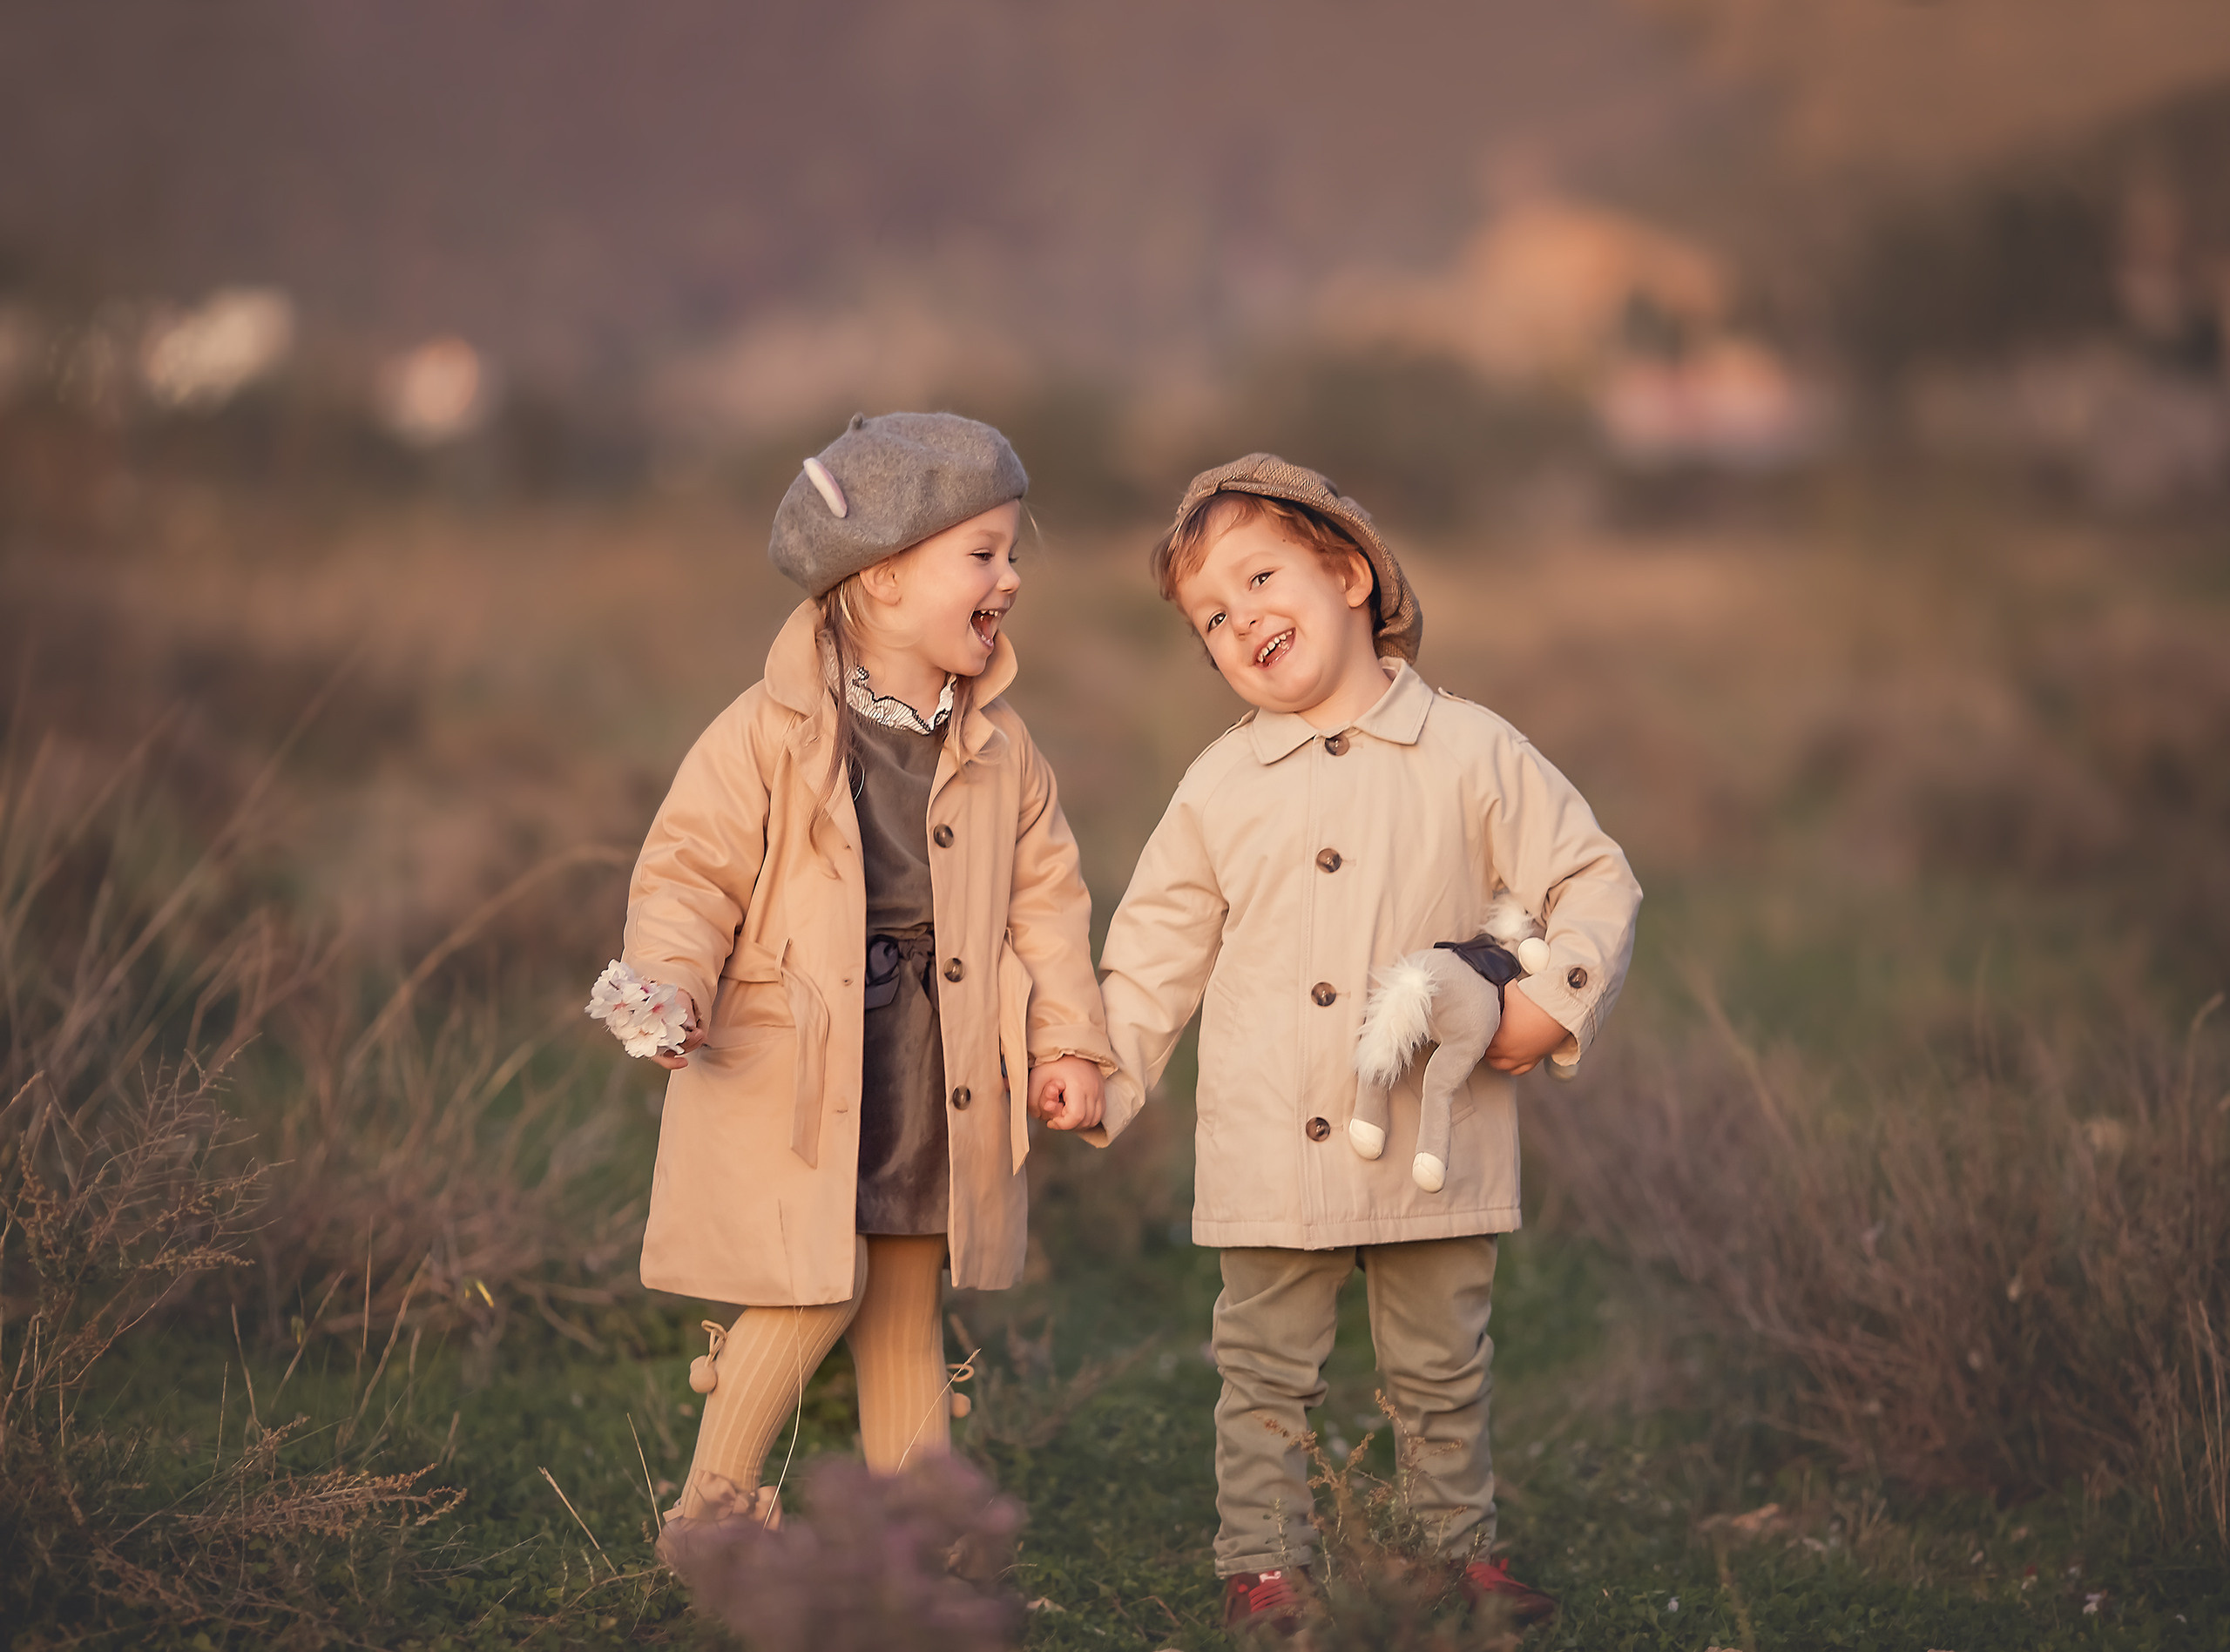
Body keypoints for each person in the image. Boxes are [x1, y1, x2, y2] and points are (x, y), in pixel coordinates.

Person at [1092, 454, 1642, 1639]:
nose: (1243, 623)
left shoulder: (1470, 749)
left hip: (1430, 1134)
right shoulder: (1220, 783)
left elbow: (1591, 874)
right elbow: (1158, 939)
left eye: (1261, 578)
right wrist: (1107, 1062)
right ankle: (1266, 1562)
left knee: (1442, 1362)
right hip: (1270, 1127)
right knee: (1264, 1366)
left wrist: (1555, 1001)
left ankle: (1455, 1549)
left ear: (1346, 572)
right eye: (1214, 619)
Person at [606, 411, 1113, 1568]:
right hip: (813, 1060)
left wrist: (1068, 1043)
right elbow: (690, 867)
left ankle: (918, 1543)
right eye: (983, 554)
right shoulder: (768, 733)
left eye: (1013, 550)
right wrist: (669, 984)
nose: (1011, 577)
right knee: (808, 1285)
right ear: (884, 579)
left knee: (902, 1303)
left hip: (939, 1070)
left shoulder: (1000, 748)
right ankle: (712, 1513)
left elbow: (1049, 902)